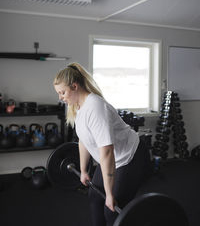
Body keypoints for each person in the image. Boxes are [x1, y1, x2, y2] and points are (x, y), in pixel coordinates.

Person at [54, 62, 151, 226]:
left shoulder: (95, 107)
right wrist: (84, 170)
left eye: (62, 92)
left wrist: (109, 194)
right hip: (112, 158)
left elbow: (107, 153)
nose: (60, 97)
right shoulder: (79, 108)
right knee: (94, 197)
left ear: (75, 86)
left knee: (112, 209)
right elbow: (83, 141)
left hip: (130, 158)